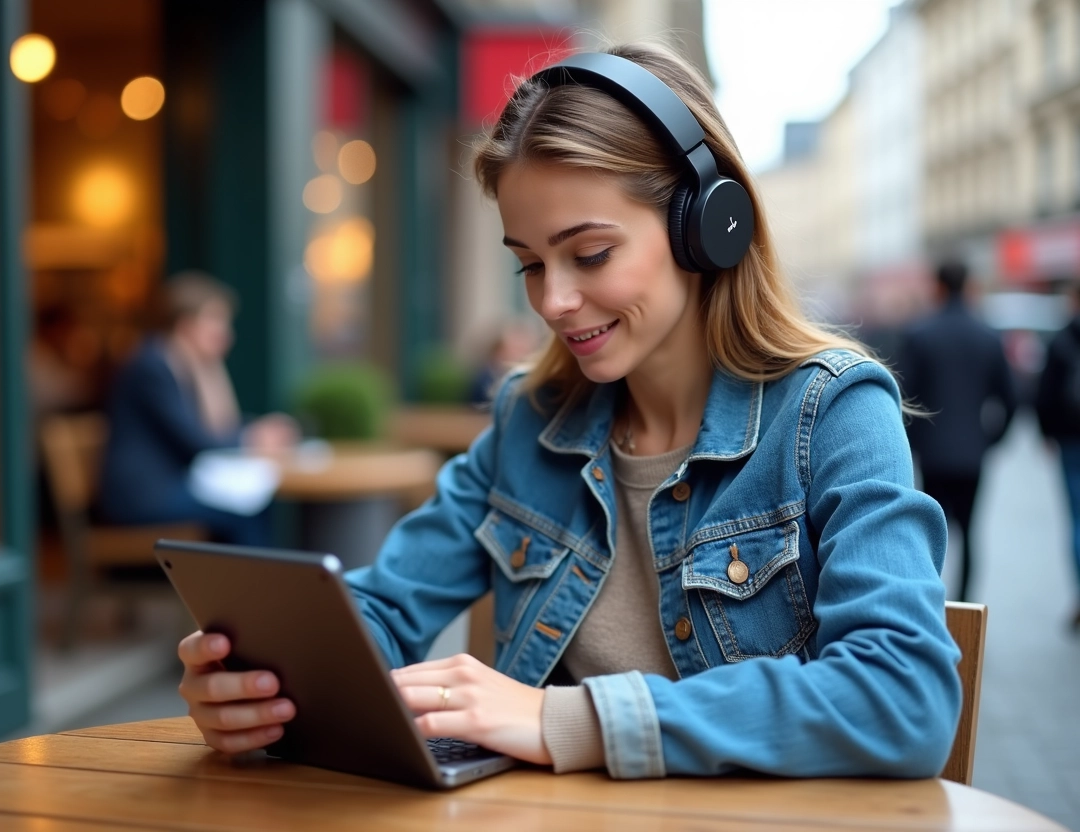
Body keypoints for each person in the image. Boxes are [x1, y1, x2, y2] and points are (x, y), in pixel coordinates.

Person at [176, 43, 961, 779]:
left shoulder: (834, 412)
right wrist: (261, 684)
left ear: (708, 228)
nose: (553, 300)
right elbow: (381, 609)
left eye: (590, 254)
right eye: (529, 264)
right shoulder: (531, 417)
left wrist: (567, 720)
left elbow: (905, 699)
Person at [97, 271, 297, 547]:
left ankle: (240, 586)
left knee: (257, 505)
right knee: (249, 511)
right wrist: (253, 437)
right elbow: (196, 440)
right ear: (186, 324)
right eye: (215, 320)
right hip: (142, 496)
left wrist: (254, 430)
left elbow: (216, 429)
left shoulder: (184, 364)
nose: (225, 333)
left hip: (172, 485)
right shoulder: (153, 365)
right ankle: (252, 588)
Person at [897, 260, 1018, 602]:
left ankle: (930, 602)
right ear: (967, 285)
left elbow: (903, 398)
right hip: (972, 455)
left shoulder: (920, 334)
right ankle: (965, 605)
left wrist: (916, 442)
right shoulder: (988, 336)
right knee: (970, 533)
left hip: (933, 455)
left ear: (937, 287)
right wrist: (989, 440)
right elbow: (1010, 400)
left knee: (931, 535)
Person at [1034, 281, 1080, 632]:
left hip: (1070, 438)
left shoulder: (1063, 338)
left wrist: (1045, 432)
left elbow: (1045, 391)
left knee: (1078, 518)